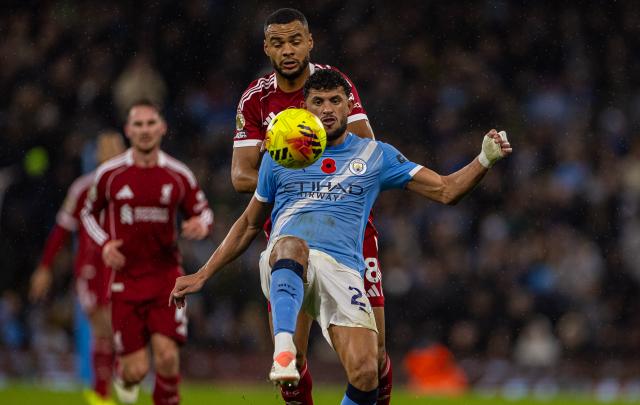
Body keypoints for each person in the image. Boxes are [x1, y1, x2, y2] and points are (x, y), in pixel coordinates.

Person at [172, 69, 512, 405]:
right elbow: (248, 225)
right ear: (304, 109)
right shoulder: (280, 158)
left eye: (335, 101)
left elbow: (445, 190)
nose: (327, 109)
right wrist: (203, 273)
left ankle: (299, 359)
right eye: (318, 102)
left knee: (367, 374)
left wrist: (484, 159)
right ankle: (285, 349)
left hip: (344, 269)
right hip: (289, 261)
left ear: (350, 108)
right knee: (292, 244)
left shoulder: (375, 154)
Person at [232, 8, 391, 404]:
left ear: (310, 41)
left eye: (295, 40)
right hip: (289, 237)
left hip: (350, 237)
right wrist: (294, 178)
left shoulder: (333, 85)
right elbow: (240, 176)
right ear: (266, 47)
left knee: (375, 356)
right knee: (292, 362)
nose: (288, 50)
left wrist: (323, 179)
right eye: (279, 42)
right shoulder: (256, 100)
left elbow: (367, 155)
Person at [81, 100, 213, 405]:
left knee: (167, 357)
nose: (144, 130)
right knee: (136, 371)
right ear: (128, 131)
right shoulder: (110, 174)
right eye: (137, 125)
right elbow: (88, 214)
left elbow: (203, 211)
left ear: (162, 128)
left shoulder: (178, 174)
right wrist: (104, 244)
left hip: (167, 278)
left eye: (150, 123)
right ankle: (123, 374)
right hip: (125, 282)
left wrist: (200, 225)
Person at [30, 131, 125, 405]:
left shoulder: (132, 186)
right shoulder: (82, 188)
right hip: (91, 269)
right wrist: (45, 268)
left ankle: (105, 387)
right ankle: (100, 394)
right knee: (102, 325)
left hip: (122, 268)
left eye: (117, 147)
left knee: (117, 329)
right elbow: (61, 230)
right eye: (107, 147)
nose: (112, 152)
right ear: (98, 155)